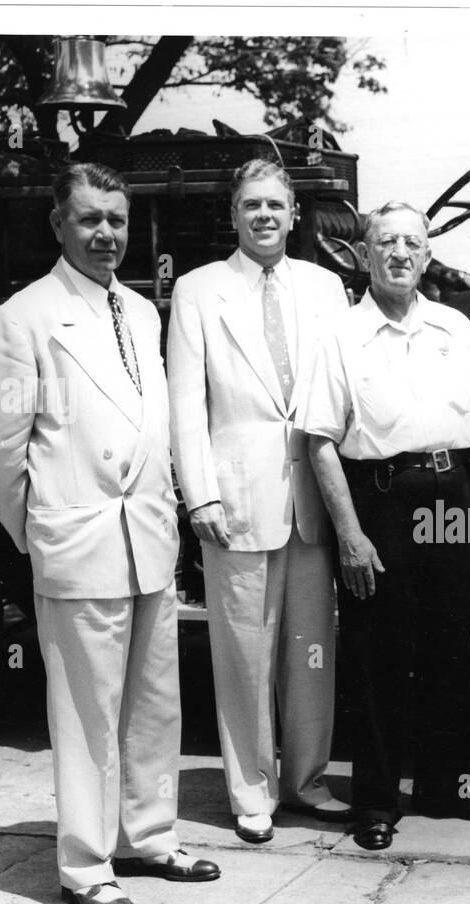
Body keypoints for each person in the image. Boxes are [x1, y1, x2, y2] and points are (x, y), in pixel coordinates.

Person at [0, 162, 220, 904]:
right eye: (89, 219)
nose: (106, 233)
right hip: (79, 543)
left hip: (145, 538)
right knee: (84, 714)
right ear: (58, 225)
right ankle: (85, 864)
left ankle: (149, 834)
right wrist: (41, 531)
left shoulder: (141, 313)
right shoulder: (20, 320)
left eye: (116, 219)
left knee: (154, 704)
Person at [303, 202, 470, 851]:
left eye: (411, 243)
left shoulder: (453, 326)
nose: (398, 253)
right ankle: (378, 801)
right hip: (380, 500)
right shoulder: (339, 335)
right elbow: (321, 444)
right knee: (378, 656)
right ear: (364, 255)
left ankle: (444, 789)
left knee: (450, 650)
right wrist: (351, 534)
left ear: (425, 255)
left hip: (448, 496)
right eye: (385, 242)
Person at [167, 159, 351, 846]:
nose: (265, 216)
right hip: (236, 499)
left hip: (311, 499)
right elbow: (186, 403)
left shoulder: (326, 288)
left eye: (276, 204)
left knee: (311, 650)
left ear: (295, 212)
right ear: (233, 215)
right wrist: (200, 495)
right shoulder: (199, 291)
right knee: (243, 652)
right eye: (251, 205)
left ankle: (306, 780)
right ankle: (251, 790)